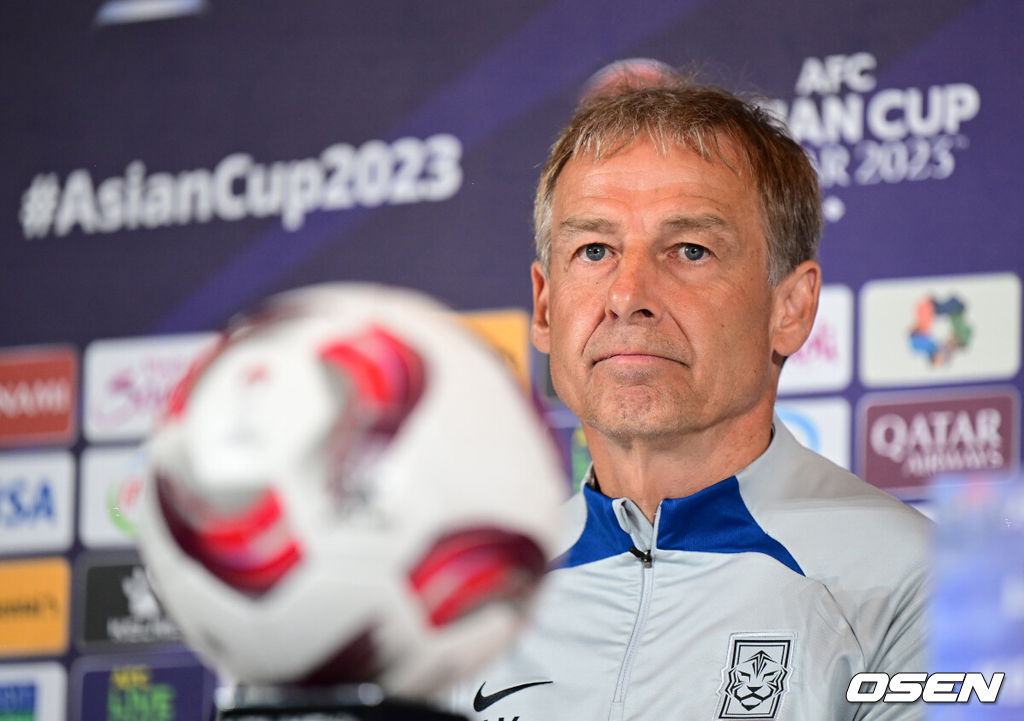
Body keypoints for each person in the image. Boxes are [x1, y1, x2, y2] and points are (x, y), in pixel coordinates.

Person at [449, 66, 930, 721]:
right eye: (594, 250)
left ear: (790, 307)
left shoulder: (922, 585)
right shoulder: (462, 606)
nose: (628, 296)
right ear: (543, 306)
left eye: (691, 250)